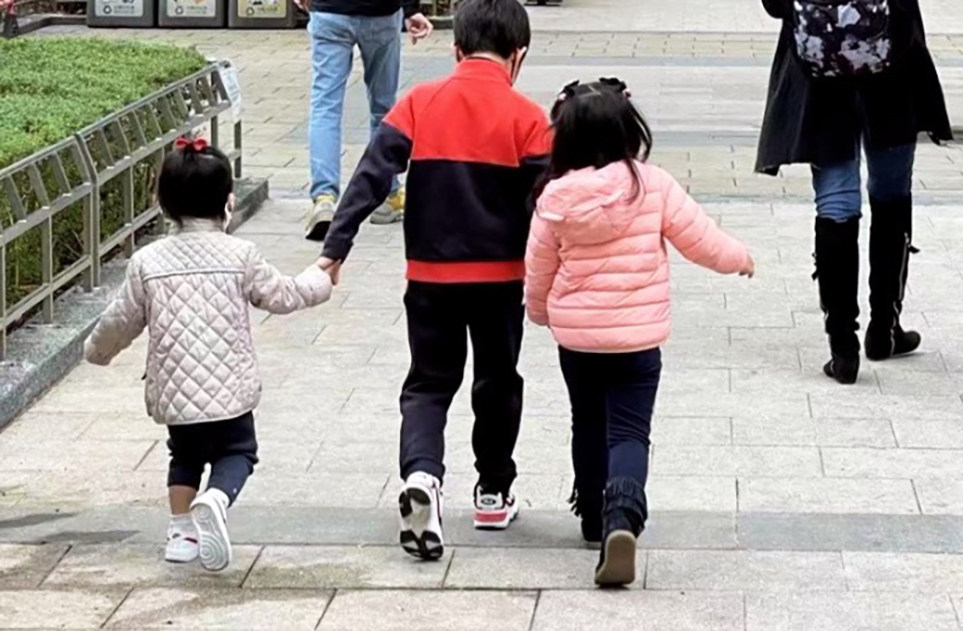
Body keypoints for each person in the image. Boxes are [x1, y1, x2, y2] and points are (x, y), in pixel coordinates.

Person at [317, 0, 551, 561]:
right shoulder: (530, 118)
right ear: (518, 57)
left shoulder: (420, 102)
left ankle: (422, 476)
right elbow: (549, 205)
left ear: (456, 49)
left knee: (428, 383)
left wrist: (336, 246)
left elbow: (372, 175)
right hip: (500, 280)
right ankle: (493, 492)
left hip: (429, 277)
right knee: (498, 381)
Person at [525, 79, 754, 586]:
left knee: (586, 422)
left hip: (578, 340)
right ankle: (621, 519)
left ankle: (590, 516)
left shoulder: (553, 198)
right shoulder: (651, 184)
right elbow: (701, 238)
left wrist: (540, 311)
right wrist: (739, 258)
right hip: (637, 339)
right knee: (629, 430)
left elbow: (538, 265)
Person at [84, 139, 332, 572]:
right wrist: (320, 279)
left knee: (183, 456)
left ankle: (181, 532)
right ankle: (217, 499)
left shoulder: (148, 261)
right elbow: (282, 295)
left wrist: (96, 352)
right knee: (238, 452)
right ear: (228, 203)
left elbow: (119, 319)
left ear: (163, 204)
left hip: (177, 391)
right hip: (229, 388)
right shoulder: (241, 255)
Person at [756, 0, 951, 384]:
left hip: (819, 72)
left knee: (836, 202)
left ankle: (843, 349)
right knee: (891, 193)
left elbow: (775, 5)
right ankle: (884, 328)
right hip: (893, 65)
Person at [300, 0, 434, 241]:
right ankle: (388, 194)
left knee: (325, 106)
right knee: (383, 109)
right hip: (380, 14)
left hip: (329, 12)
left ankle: (324, 198)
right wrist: (411, 9)